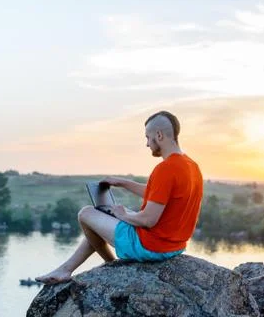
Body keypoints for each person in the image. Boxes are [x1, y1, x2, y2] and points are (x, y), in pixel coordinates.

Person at [35, 111, 203, 285]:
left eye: (148, 137)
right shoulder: (191, 166)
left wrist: (123, 215)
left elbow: (148, 220)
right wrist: (122, 182)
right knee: (101, 218)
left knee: (86, 213)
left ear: (159, 135)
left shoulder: (166, 169)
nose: (147, 144)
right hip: (174, 247)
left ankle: (111, 265)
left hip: (150, 247)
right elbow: (160, 195)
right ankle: (66, 269)